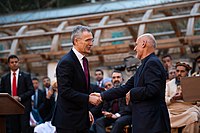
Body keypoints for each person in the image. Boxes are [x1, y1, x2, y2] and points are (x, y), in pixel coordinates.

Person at [92, 33, 171, 133]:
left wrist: (132, 92)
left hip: (153, 122)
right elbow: (125, 88)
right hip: (144, 121)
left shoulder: (152, 63)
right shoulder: (143, 65)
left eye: (136, 44)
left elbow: (153, 89)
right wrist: (102, 95)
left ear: (143, 44)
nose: (134, 48)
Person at [51, 25, 100, 133]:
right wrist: (88, 98)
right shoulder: (66, 62)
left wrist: (86, 110)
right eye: (88, 40)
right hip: (68, 122)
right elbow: (65, 91)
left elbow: (81, 89)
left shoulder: (84, 61)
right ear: (76, 41)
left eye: (92, 40)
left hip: (81, 119)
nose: (91, 44)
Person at [0, 54, 34, 133]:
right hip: (10, 109)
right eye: (12, 62)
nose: (14, 64)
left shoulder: (26, 76)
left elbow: (31, 90)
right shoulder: (5, 78)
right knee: (13, 129)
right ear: (9, 64)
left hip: (23, 107)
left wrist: (19, 97)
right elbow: (1, 92)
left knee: (25, 129)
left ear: (19, 63)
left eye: (16, 62)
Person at [165, 62, 200, 133]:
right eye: (177, 71)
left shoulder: (193, 83)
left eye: (182, 71)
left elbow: (198, 101)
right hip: (173, 110)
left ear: (187, 72)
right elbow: (163, 99)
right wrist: (172, 99)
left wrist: (184, 97)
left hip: (188, 109)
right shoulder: (168, 84)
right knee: (165, 116)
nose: (179, 73)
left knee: (194, 116)